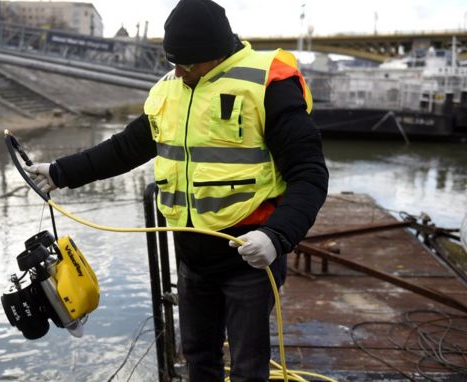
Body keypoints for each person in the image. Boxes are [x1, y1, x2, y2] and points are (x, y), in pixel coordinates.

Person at [24, 0, 329, 380]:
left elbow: (310, 175)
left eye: (188, 65)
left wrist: (276, 236)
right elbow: (125, 149)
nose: (181, 73)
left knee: (249, 369)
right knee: (199, 358)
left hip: (248, 258)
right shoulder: (170, 87)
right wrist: (60, 172)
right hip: (191, 255)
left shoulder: (267, 84)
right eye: (175, 64)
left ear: (218, 53)